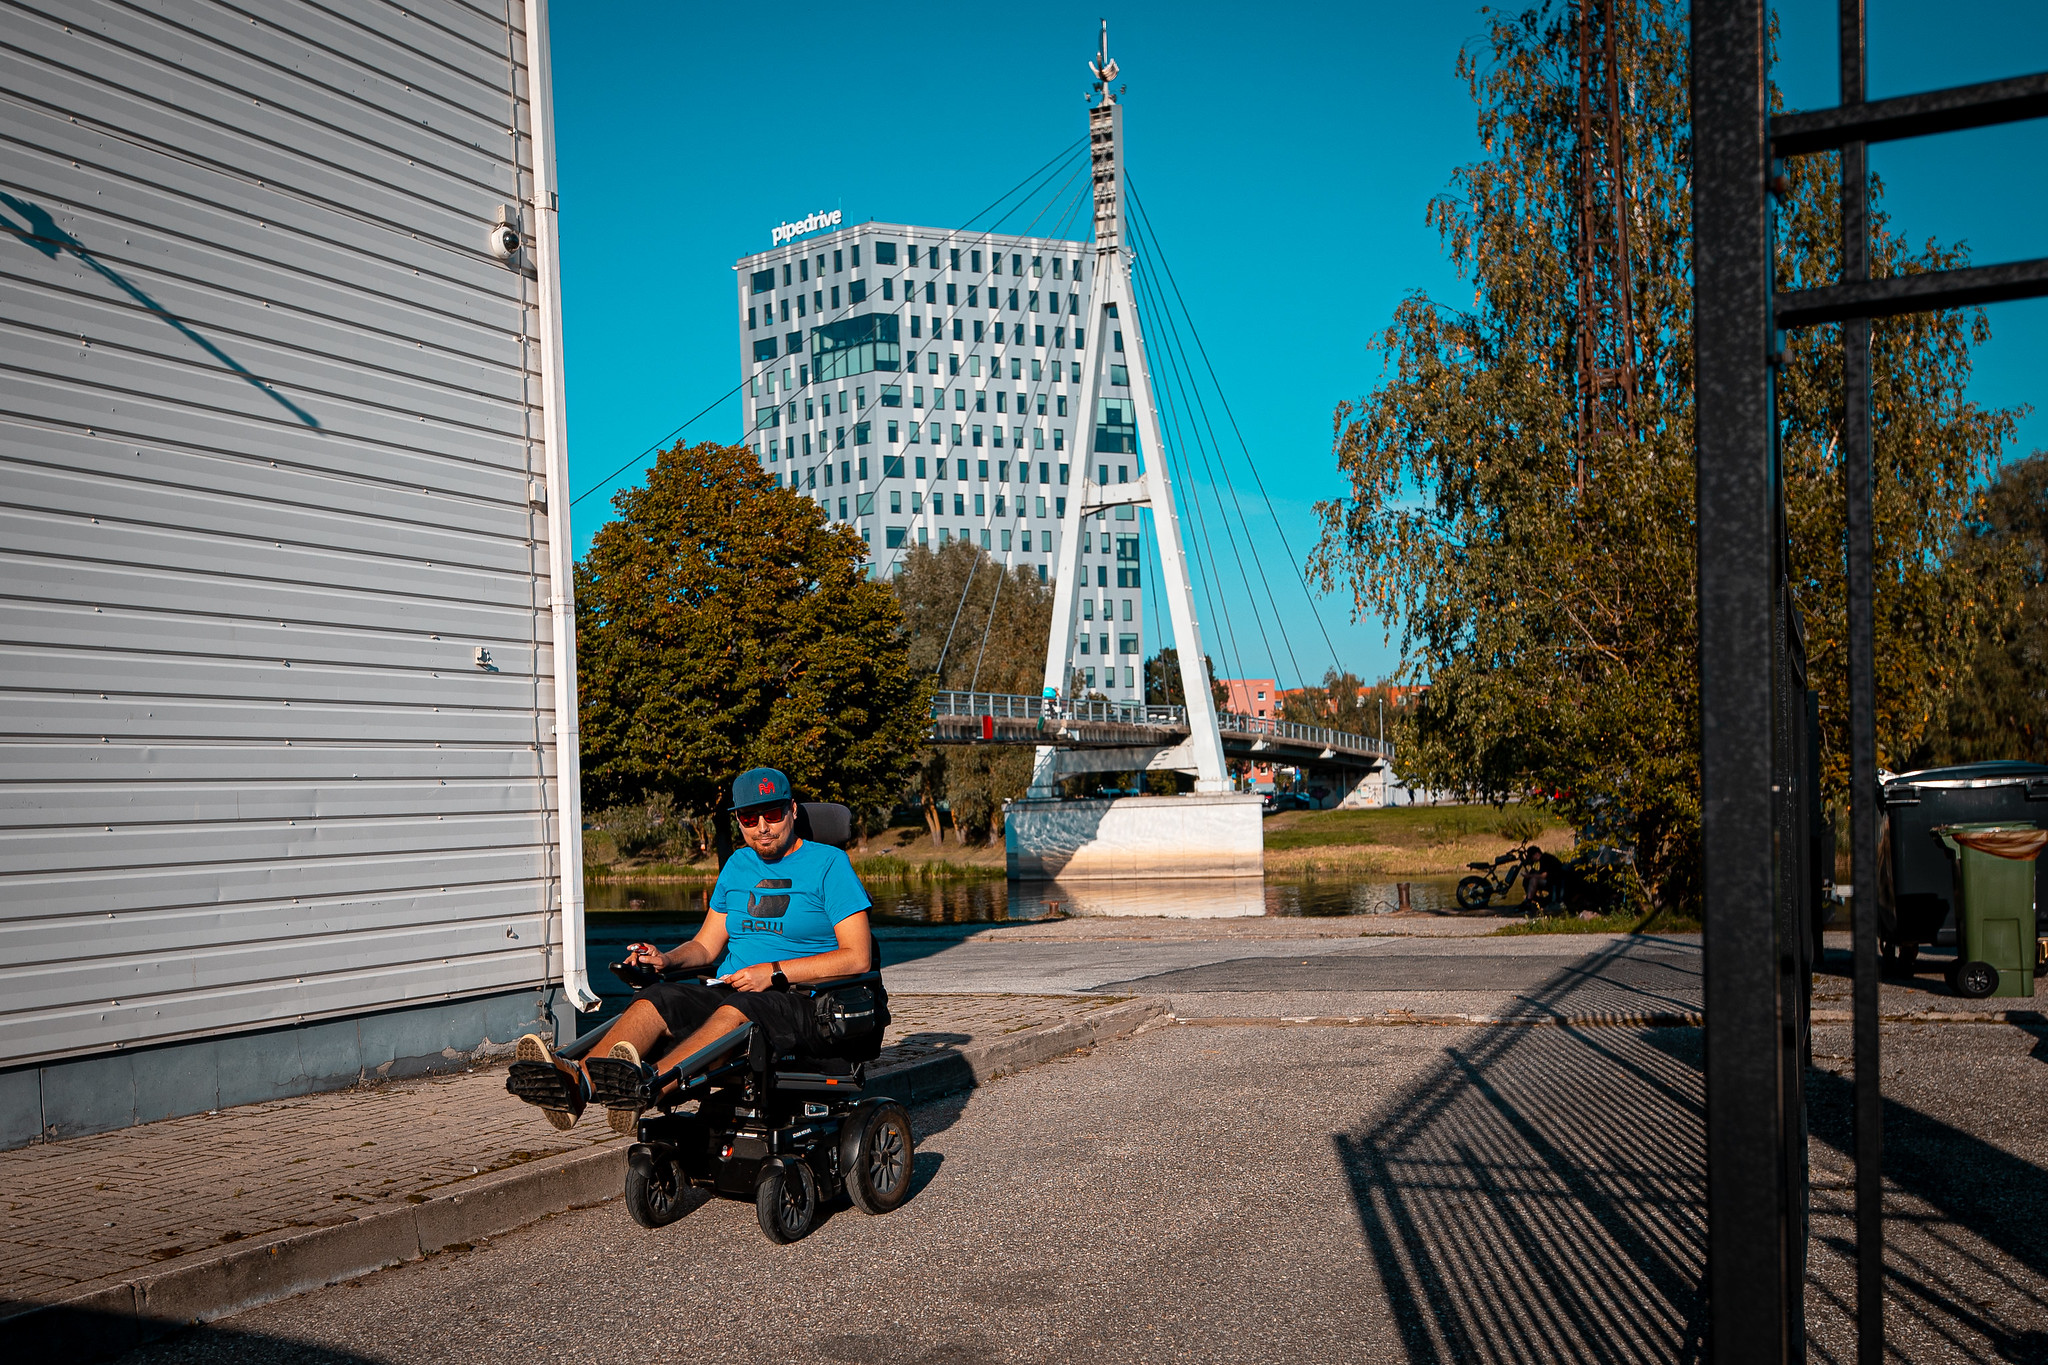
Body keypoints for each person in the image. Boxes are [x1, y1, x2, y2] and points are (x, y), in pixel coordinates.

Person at [508, 767, 877, 1135]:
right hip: (735, 988)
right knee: (659, 996)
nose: (762, 826)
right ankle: (578, 1085)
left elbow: (857, 956)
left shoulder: (830, 864)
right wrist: (666, 959)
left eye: (773, 813)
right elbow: (704, 945)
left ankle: (645, 1087)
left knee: (739, 1008)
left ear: (792, 811)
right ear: (739, 822)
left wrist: (774, 971)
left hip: (803, 999)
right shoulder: (737, 865)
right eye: (750, 817)